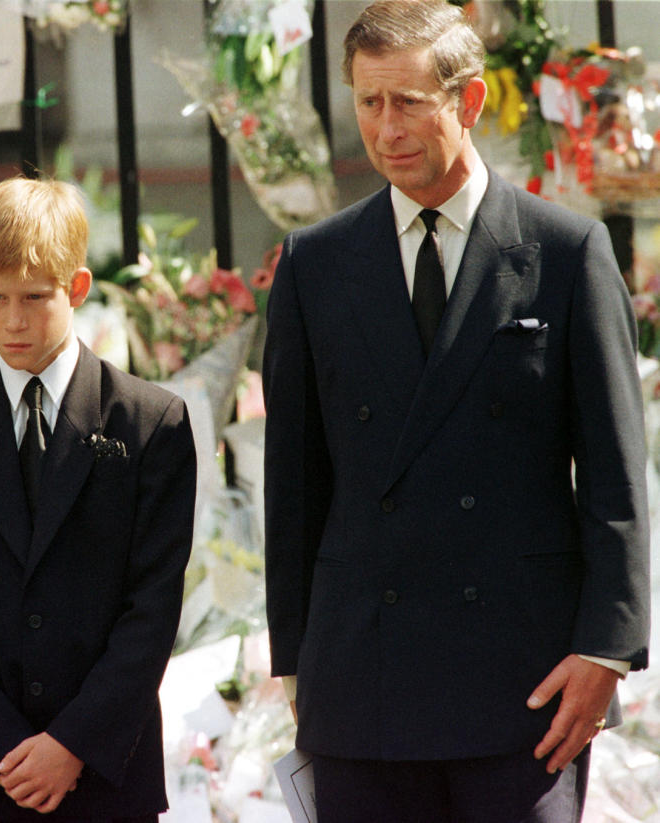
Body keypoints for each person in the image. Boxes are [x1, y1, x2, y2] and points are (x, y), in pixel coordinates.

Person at [262, 1, 650, 820]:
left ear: (468, 103)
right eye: (369, 102)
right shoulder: (313, 264)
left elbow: (617, 478)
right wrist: (298, 667)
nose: (386, 127)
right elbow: (293, 485)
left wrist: (605, 651)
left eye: (408, 102)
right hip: (363, 683)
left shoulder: (568, 252)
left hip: (525, 684)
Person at [0, 177, 197, 821]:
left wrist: (73, 744)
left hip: (109, 769)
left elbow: (153, 604)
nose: (14, 319)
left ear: (78, 289)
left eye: (35, 297)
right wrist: (1, 746)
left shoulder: (150, 422)